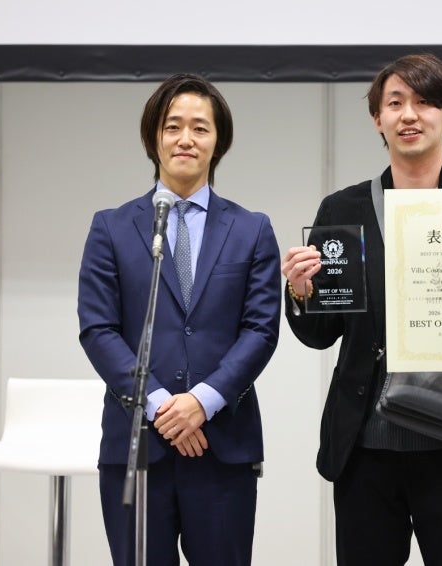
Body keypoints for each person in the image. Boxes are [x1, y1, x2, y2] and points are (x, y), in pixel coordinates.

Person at [282, 54, 442, 565]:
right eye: (395, 103)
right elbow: (320, 334)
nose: (409, 115)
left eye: (425, 102)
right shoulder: (344, 209)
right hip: (364, 444)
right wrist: (301, 292)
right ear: (376, 119)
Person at [78, 74, 281, 566]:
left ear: (218, 142)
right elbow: (98, 329)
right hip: (137, 447)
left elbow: (260, 330)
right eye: (173, 127)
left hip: (222, 444)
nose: (186, 139)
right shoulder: (111, 227)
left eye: (200, 128)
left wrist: (202, 403)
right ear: (154, 138)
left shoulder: (252, 229)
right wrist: (162, 407)